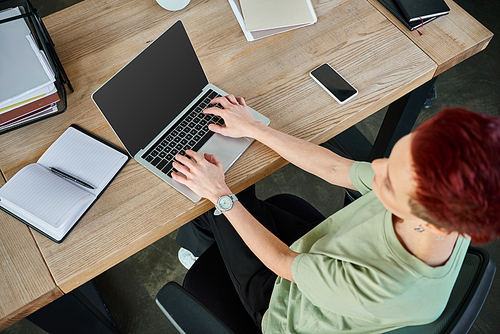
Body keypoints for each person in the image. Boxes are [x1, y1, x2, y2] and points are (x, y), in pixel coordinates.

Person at [172, 94, 500, 333]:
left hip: (283, 303)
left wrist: (220, 194)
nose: (378, 168)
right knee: (224, 193)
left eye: (388, 181)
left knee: (212, 201)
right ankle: (207, 235)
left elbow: (283, 262)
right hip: (322, 254)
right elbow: (335, 168)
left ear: (432, 223)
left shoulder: (378, 285)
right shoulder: (460, 208)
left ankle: (200, 246)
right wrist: (255, 127)